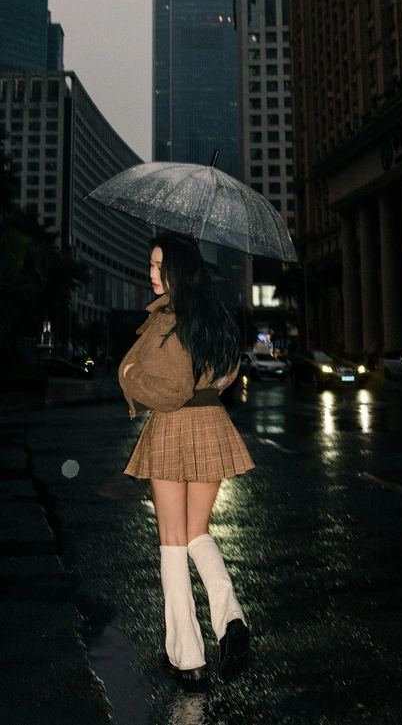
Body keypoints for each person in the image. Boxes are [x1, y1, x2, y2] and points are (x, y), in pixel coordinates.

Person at [118, 232, 255, 692]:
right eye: (151, 265)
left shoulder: (169, 319)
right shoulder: (214, 315)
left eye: (158, 265)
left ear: (177, 269)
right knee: (198, 534)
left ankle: (188, 656)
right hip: (212, 425)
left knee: (173, 542)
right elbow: (230, 369)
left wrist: (132, 376)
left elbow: (171, 388)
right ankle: (231, 619)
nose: (151, 273)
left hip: (175, 429)